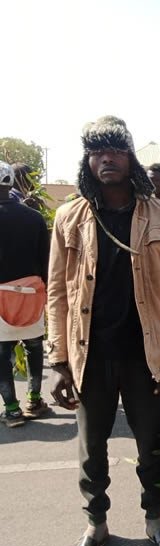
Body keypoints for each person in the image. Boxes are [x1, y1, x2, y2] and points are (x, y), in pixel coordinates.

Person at [47, 116, 160, 546]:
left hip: (144, 354)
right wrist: (59, 357)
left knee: (151, 443)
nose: (107, 158)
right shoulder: (69, 216)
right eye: (97, 151)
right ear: (88, 160)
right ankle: (97, 525)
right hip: (89, 355)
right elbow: (56, 292)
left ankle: (154, 521)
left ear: (130, 158)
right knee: (93, 449)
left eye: (116, 150)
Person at [0, 160, 50, 427]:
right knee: (34, 348)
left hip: (0, 299)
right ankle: (34, 400)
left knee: (1, 355)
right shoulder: (34, 217)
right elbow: (46, 261)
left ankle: (11, 410)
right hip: (32, 295)